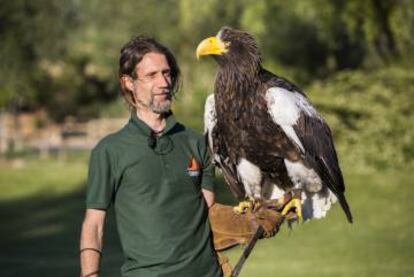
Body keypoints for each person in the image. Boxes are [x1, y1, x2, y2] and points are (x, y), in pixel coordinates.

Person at [79, 36, 222, 277]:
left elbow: (212, 214)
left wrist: (252, 218)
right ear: (129, 83)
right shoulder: (110, 151)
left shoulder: (197, 142)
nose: (163, 82)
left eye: (167, 73)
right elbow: (94, 223)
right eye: (151, 75)